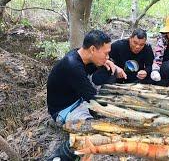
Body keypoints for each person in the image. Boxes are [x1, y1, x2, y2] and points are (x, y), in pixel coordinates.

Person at [46, 30, 126, 160]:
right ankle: (59, 157)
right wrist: (119, 112)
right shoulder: (72, 66)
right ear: (93, 49)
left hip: (79, 99)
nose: (107, 56)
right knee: (92, 133)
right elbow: (94, 100)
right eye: (106, 53)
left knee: (107, 69)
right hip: (66, 110)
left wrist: (111, 63)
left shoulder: (81, 54)